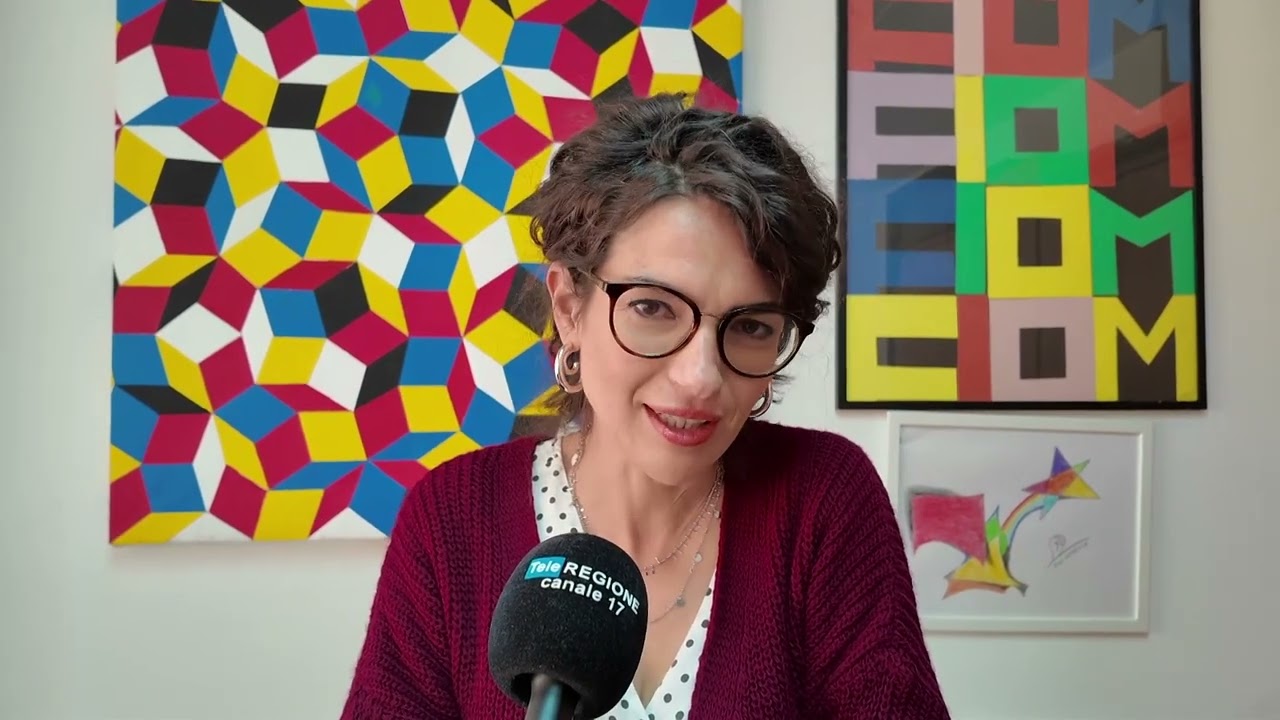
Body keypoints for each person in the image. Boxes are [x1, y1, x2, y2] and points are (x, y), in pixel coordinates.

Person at [340, 93, 950, 720]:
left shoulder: (825, 499)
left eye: (750, 326)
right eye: (653, 308)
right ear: (569, 309)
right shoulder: (451, 518)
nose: (700, 378)